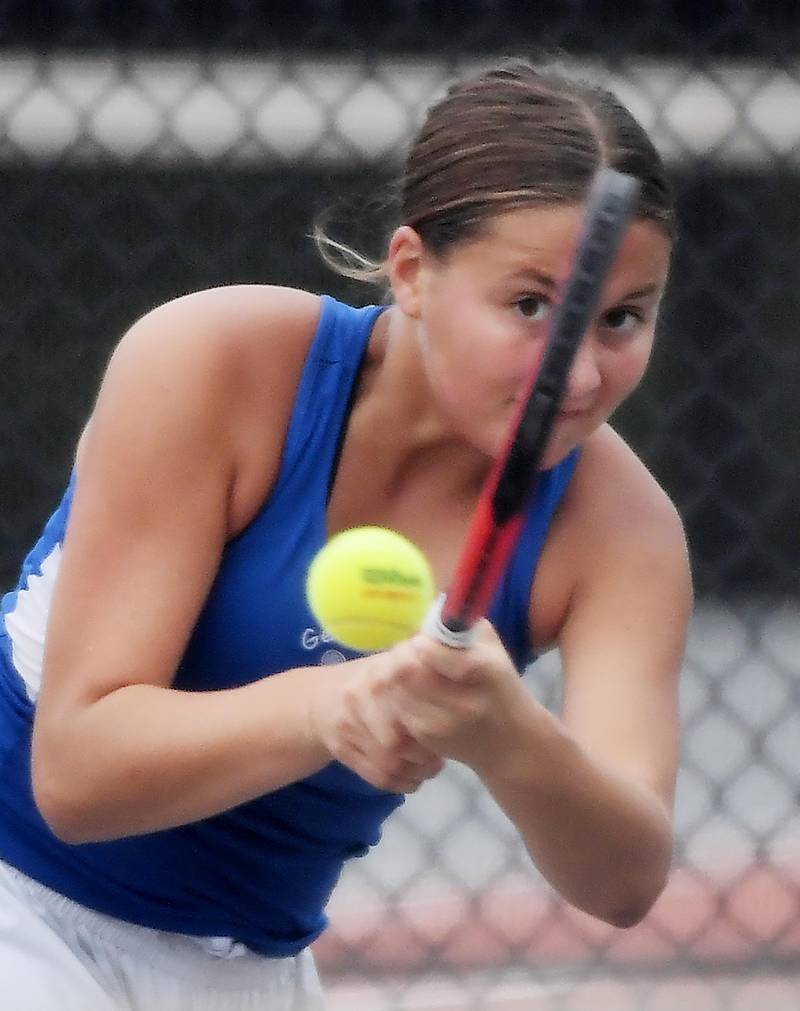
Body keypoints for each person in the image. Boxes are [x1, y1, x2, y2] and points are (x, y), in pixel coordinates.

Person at [0, 59, 691, 1010]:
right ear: (411, 271)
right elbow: (77, 775)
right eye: (532, 306)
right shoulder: (212, 360)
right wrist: (333, 705)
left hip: (245, 965)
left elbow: (624, 880)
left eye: (622, 318)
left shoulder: (622, 531)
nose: (578, 375)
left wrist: (509, 736)